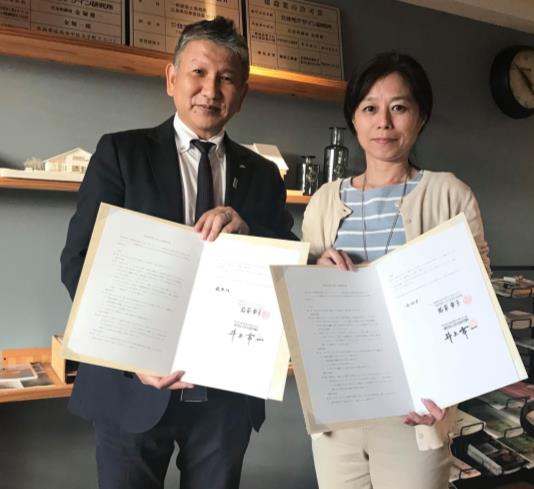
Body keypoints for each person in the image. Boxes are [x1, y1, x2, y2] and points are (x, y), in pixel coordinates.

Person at [60, 16, 294, 489]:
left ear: (242, 94)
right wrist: (132, 355)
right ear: (172, 79)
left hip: (225, 396)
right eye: (198, 73)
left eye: (226, 78)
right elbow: (80, 262)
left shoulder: (264, 174)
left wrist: (249, 231)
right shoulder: (121, 153)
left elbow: (285, 263)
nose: (211, 90)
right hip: (132, 384)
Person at [302, 52, 490, 489]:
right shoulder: (325, 200)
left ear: (420, 117)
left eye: (399, 107)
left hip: (414, 411)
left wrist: (448, 389)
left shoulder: (450, 194)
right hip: (339, 410)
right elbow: (306, 304)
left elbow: (475, 306)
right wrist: (314, 270)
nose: (383, 122)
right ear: (354, 119)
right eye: (370, 108)